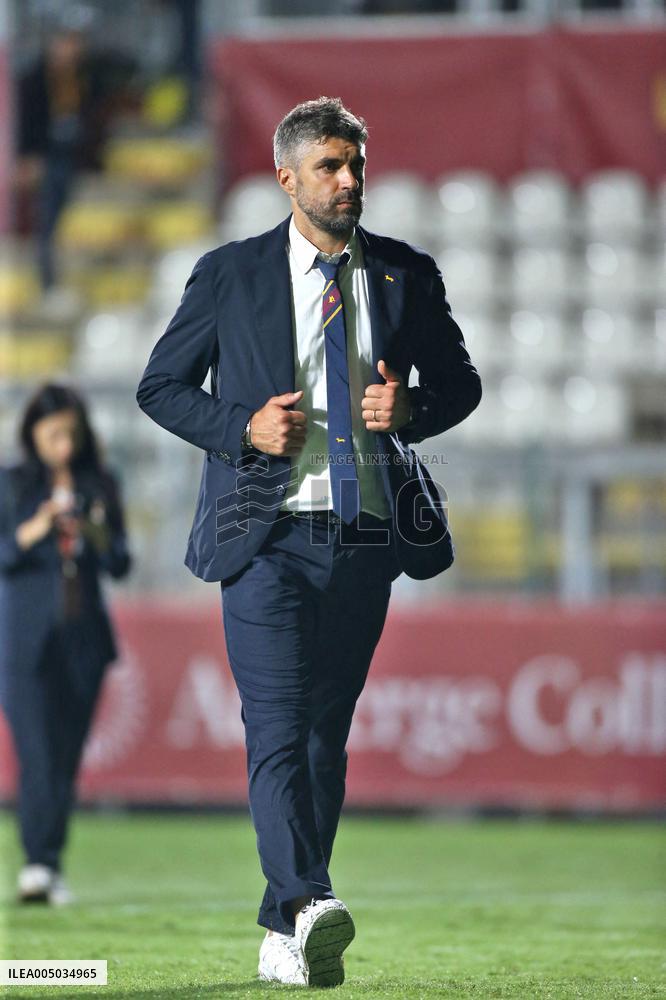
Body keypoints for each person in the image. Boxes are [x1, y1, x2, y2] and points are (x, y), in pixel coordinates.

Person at [136, 96, 481, 986]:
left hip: (365, 536)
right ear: (287, 177)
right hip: (265, 538)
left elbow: (462, 383)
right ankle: (308, 900)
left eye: (356, 164)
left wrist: (416, 410)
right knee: (279, 728)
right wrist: (241, 426)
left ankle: (285, 928)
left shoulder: (405, 273)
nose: (349, 180)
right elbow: (161, 387)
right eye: (330, 166)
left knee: (326, 735)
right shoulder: (229, 275)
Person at [0, 382, 131, 904]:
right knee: (37, 752)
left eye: (70, 434)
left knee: (67, 754)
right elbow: (5, 553)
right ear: (33, 434)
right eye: (54, 434)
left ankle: (50, 863)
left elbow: (120, 562)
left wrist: (98, 536)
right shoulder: (12, 484)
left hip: (83, 639)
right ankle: (37, 861)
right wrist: (34, 529)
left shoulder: (99, 482)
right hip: (24, 641)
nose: (63, 445)